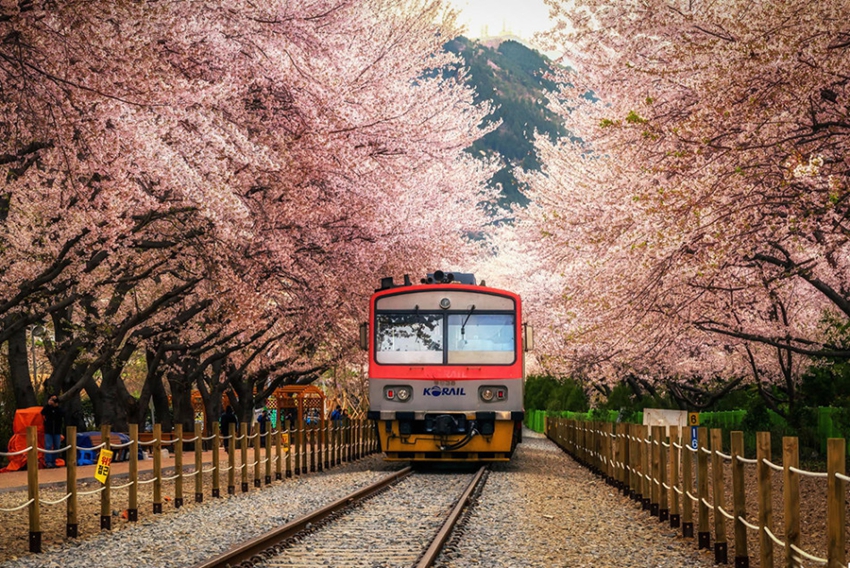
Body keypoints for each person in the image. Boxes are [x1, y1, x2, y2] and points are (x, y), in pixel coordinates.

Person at [41, 395, 64, 468]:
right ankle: (48, 462)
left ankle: (54, 461)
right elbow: (43, 412)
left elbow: (62, 414)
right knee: (48, 446)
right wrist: (49, 405)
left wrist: (56, 406)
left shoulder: (59, 409)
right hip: (48, 430)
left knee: (57, 446)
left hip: (57, 431)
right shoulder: (47, 409)